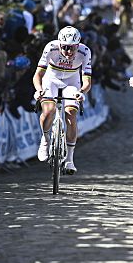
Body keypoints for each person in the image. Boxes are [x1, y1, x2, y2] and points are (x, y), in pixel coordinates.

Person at [33, 25, 93, 174]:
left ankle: (70, 160)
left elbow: (87, 81)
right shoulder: (50, 48)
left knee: (71, 116)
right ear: (59, 44)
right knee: (49, 110)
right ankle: (46, 139)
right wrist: (39, 89)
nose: (69, 52)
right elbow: (38, 75)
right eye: (65, 47)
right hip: (51, 80)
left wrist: (82, 92)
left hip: (72, 82)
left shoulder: (84, 52)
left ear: (78, 45)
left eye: (73, 48)